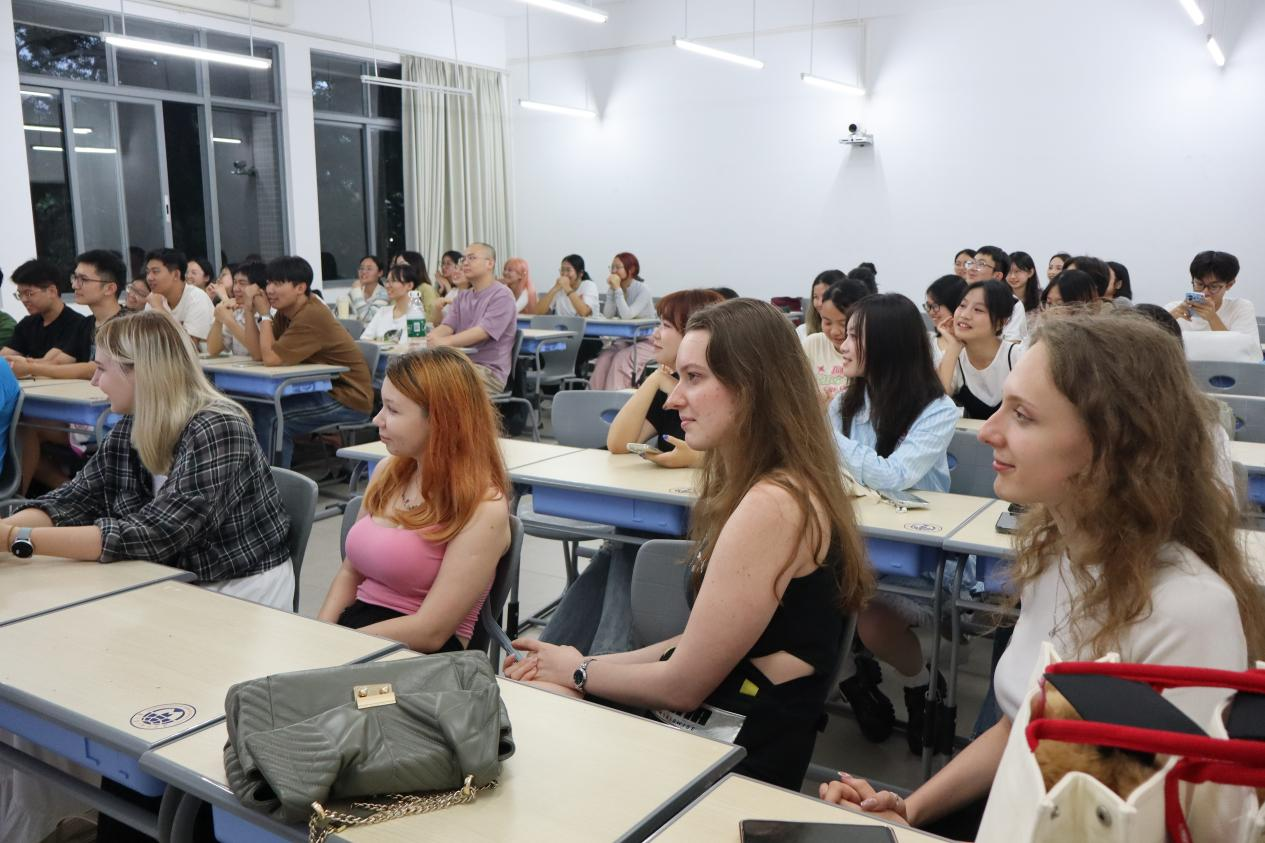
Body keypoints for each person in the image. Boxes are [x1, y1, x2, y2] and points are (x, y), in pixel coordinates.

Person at [821, 310, 1263, 840]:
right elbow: (1020, 726)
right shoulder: (1056, 556)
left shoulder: (1187, 610)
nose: (988, 431)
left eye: (1023, 416)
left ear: (1112, 443)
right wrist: (909, 812)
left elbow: (1171, 822)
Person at [505, 299, 873, 789]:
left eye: (694, 378)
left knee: (532, 706)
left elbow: (682, 685)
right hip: (723, 725)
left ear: (753, 388)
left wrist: (579, 672)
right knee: (539, 687)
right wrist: (580, 663)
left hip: (736, 762)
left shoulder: (774, 505)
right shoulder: (776, 486)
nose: (674, 399)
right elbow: (699, 643)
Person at [1, 310, 294, 604]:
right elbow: (77, 497)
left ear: (141, 372)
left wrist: (17, 537)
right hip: (169, 574)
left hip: (237, 588)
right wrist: (6, 531)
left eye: (101, 369)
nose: (94, 381)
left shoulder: (218, 428)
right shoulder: (133, 422)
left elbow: (159, 533)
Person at [827, 294, 959, 750]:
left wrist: (821, 434)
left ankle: (922, 685)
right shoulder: (843, 404)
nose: (842, 345)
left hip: (914, 556)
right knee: (795, 599)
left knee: (873, 621)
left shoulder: (936, 410)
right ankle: (853, 681)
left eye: (854, 336)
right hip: (850, 545)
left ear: (888, 345)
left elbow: (896, 475)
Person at [316, 348, 511, 651]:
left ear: (441, 421)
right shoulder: (388, 472)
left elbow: (431, 631)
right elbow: (350, 572)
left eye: (392, 411)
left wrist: (342, 645)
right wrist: (319, 634)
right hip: (358, 635)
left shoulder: (483, 508)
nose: (377, 419)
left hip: (419, 655)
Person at [12, 251, 129, 494]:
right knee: (23, 428)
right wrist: (25, 364)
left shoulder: (128, 324)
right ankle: (67, 493)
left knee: (28, 428)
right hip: (87, 412)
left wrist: (31, 367)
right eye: (75, 278)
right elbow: (58, 359)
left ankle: (58, 496)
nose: (75, 285)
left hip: (118, 417)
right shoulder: (85, 324)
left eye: (83, 280)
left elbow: (92, 368)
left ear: (109, 288)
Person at [242, 256, 374, 467]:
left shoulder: (311, 315)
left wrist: (265, 315)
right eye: (268, 283)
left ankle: (272, 484)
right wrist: (249, 312)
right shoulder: (286, 312)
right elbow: (259, 354)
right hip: (323, 390)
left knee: (274, 418)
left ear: (300, 288)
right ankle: (257, 474)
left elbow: (271, 359)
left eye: (278, 283)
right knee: (254, 408)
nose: (270, 290)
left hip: (348, 398)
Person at [607, 288, 726, 467]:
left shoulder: (723, 387)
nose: (654, 334)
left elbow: (754, 456)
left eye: (666, 325)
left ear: (694, 334)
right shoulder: (668, 386)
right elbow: (618, 444)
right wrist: (655, 379)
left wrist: (695, 459)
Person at [429, 242, 518, 395]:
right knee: (414, 373)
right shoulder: (462, 296)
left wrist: (444, 342)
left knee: (432, 382)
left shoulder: (502, 295)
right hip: (460, 364)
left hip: (487, 372)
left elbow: (482, 332)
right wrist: (431, 338)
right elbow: (447, 326)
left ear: (489, 263)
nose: (465, 263)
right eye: (463, 259)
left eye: (472, 258)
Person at [934, 280, 1022, 419]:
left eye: (978, 310)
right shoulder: (953, 358)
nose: (964, 315)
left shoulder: (1019, 357)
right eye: (962, 305)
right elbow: (936, 401)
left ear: (1000, 322)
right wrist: (953, 347)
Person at [2, 259, 89, 365]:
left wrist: (24, 364)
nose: (24, 300)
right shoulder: (27, 324)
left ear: (52, 291)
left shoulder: (77, 324)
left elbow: (51, 363)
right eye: (20, 294)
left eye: (29, 293)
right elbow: (4, 357)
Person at [589, 252, 656, 390]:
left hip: (648, 341)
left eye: (617, 267)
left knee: (621, 359)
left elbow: (627, 316)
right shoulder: (615, 289)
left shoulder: (643, 290)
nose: (613, 271)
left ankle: (616, 398)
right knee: (604, 359)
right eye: (612, 267)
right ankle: (594, 397)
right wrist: (611, 292)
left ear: (631, 270)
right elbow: (608, 314)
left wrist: (617, 289)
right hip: (626, 339)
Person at [802, 279, 870, 404]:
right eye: (827, 322)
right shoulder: (812, 344)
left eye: (843, 324)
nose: (834, 331)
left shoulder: (868, 353)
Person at [1167, 250, 1257, 337]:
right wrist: (1168, 319)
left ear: (1229, 285)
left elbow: (1244, 347)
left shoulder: (1240, 308)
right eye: (1199, 284)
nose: (1204, 292)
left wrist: (1213, 318)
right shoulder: (1173, 309)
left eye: (1213, 286)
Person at [144, 248, 214, 345]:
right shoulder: (154, 297)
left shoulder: (197, 298)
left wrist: (159, 309)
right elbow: (146, 341)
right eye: (147, 272)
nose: (149, 278)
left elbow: (189, 345)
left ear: (176, 274)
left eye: (155, 272)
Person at [206, 260, 267, 357]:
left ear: (258, 287)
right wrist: (218, 319)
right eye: (235, 282)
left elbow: (259, 353)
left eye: (242, 283)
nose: (235, 289)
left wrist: (228, 320)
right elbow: (212, 350)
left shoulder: (270, 313)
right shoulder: (238, 312)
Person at [969, 245, 1026, 341]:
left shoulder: (1012, 304)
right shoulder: (961, 296)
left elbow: (1012, 341)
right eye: (972, 263)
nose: (972, 268)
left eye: (981, 264)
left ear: (997, 276)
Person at [362, 265, 425, 342]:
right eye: (387, 281)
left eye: (394, 281)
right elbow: (364, 340)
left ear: (409, 285)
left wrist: (379, 343)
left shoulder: (416, 315)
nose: (387, 285)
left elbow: (416, 346)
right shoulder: (383, 311)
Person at [534, 253, 598, 318]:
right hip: (560, 324)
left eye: (568, 270)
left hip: (587, 324)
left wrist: (567, 288)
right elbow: (537, 313)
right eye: (562, 270)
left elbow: (584, 313)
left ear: (580, 273)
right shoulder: (558, 286)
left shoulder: (589, 285)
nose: (564, 274)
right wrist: (554, 289)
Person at [390, 250, 438, 324]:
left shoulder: (425, 288)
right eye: (397, 266)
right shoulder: (398, 290)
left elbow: (432, 317)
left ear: (415, 265)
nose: (398, 269)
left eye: (402, 265)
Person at [924, 274, 968, 355]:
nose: (930, 312)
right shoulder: (928, 341)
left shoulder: (972, 345)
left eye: (935, 306)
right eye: (928, 306)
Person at [797, 269, 846, 339]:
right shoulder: (802, 331)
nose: (819, 303)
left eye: (825, 296)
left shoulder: (853, 331)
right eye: (815, 297)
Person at [348, 254, 389, 323]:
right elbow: (340, 313)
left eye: (369, 269)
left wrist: (356, 291)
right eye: (361, 268)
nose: (364, 272)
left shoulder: (384, 294)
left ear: (380, 273)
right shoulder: (357, 290)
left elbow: (368, 318)